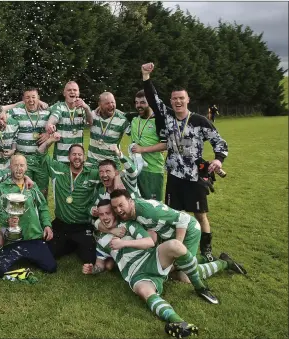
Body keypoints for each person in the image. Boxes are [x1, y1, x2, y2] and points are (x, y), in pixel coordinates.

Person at [84, 200, 213, 338]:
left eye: (108, 213)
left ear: (114, 213)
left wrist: (123, 243)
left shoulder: (129, 226)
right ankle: (179, 323)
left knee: (176, 246)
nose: (105, 217)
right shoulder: (101, 240)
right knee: (144, 291)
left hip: (151, 259)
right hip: (136, 273)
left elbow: (149, 242)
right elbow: (100, 265)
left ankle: (204, 282)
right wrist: (93, 269)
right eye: (101, 214)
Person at [141, 62, 229, 262]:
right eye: (174, 99)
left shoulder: (199, 121)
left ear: (188, 99)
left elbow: (219, 141)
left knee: (200, 215)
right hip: (174, 175)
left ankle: (206, 250)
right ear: (171, 101)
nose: (177, 101)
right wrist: (146, 76)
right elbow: (153, 100)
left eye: (181, 98)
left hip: (195, 175)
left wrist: (218, 159)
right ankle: (173, 248)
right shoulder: (168, 116)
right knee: (174, 215)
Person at [108, 189, 246, 282]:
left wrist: (177, 247)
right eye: (115, 208)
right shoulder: (128, 213)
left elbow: (183, 219)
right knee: (176, 270)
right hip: (171, 236)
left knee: (187, 276)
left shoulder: (150, 211)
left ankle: (225, 263)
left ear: (131, 202)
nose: (118, 210)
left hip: (189, 230)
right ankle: (204, 258)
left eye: (121, 205)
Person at [0, 155, 56, 281]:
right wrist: (7, 220)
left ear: (26, 167)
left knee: (51, 267)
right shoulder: (1, 187)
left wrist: (47, 225)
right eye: (15, 165)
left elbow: (42, 207)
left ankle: (30, 255)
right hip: (13, 239)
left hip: (33, 236)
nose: (19, 168)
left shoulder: (32, 186)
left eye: (22, 165)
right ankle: (21, 257)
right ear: (10, 167)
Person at [37, 134, 99, 266]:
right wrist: (50, 141)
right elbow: (40, 153)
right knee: (48, 252)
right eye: (74, 154)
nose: (77, 157)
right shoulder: (58, 169)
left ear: (84, 157)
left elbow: (110, 175)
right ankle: (70, 243)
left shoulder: (93, 174)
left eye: (80, 154)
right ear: (69, 157)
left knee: (90, 259)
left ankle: (75, 242)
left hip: (82, 225)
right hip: (62, 224)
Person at [7, 88, 52, 197]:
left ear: (38, 98)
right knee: (23, 190)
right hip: (22, 158)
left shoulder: (47, 113)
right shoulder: (16, 112)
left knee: (42, 191)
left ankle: (41, 213)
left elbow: (57, 125)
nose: (31, 100)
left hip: (40, 159)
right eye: (27, 97)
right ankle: (26, 213)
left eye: (33, 97)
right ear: (23, 99)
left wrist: (48, 134)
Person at [126, 90, 166, 200]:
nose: (139, 105)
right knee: (136, 203)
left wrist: (142, 149)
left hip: (153, 170)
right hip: (135, 170)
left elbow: (165, 145)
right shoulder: (133, 118)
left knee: (154, 206)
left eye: (143, 102)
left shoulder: (159, 120)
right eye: (137, 102)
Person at [45, 81, 92, 163]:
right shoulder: (59, 106)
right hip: (61, 157)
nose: (72, 92)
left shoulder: (83, 108)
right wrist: (50, 124)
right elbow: (54, 117)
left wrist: (86, 107)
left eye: (75, 90)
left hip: (77, 157)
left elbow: (90, 122)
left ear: (78, 93)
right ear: (64, 93)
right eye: (69, 90)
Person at [85, 92, 129, 167]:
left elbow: (134, 135)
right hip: (92, 164)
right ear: (100, 104)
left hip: (111, 165)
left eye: (113, 102)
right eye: (107, 103)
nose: (111, 105)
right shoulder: (93, 116)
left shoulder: (122, 120)